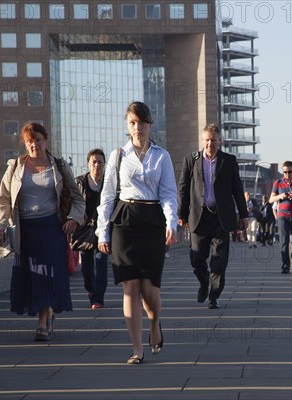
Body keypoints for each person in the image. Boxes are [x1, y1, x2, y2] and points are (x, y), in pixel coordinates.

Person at [96, 101, 178, 365]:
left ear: (149, 124)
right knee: (130, 287)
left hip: (152, 223)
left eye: (141, 122)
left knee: (150, 288)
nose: (137, 127)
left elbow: (168, 193)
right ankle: (137, 348)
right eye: (132, 122)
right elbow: (107, 195)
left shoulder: (162, 156)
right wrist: (102, 233)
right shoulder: (117, 155)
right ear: (127, 126)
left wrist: (171, 223)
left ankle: (155, 325)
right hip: (124, 224)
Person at [0, 122, 84, 342]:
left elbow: (77, 197)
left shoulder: (59, 167)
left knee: (48, 275)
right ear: (25, 144)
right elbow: (3, 198)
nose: (35, 145)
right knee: (32, 277)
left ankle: (43, 322)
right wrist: (2, 224)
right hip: (25, 231)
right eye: (30, 142)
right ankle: (47, 313)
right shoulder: (16, 167)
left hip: (52, 230)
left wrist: (74, 218)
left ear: (46, 141)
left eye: (38, 140)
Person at [177, 123, 248, 310]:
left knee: (219, 259)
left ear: (220, 141)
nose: (210, 144)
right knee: (196, 258)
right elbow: (183, 188)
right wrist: (181, 214)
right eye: (207, 140)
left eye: (214, 140)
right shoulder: (191, 159)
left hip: (221, 218)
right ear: (203, 141)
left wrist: (244, 215)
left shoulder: (229, 161)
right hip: (198, 217)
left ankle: (214, 296)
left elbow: (237, 190)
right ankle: (204, 283)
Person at [75, 149, 109, 310]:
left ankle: (98, 298)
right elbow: (72, 202)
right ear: (88, 164)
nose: (97, 165)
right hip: (84, 232)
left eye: (100, 162)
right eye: (94, 162)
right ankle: (90, 290)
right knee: (87, 268)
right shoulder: (79, 182)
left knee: (102, 262)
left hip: (103, 231)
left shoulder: (109, 182)